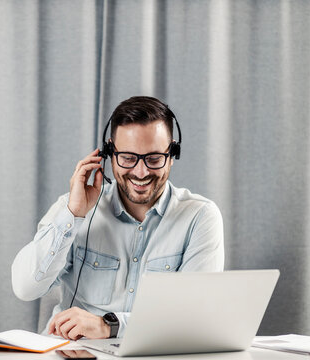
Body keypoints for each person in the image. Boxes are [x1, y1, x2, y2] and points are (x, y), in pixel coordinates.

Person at [12, 96, 224, 341]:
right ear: (109, 153)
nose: (141, 172)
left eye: (154, 159)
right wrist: (73, 215)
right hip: (73, 353)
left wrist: (109, 326)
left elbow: (194, 317)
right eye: (128, 158)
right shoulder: (74, 208)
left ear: (172, 153)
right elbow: (25, 288)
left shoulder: (199, 217)